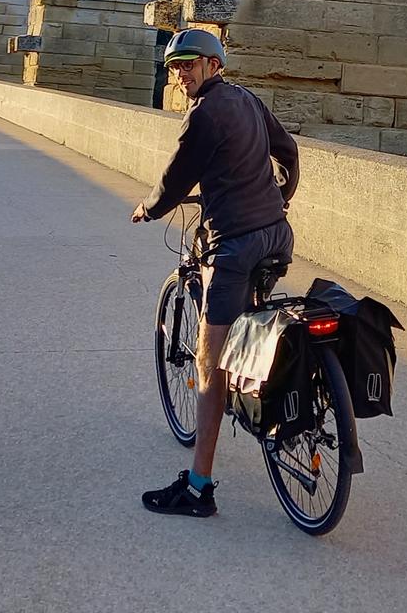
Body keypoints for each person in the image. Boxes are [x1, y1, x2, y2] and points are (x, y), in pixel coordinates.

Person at [130, 27, 299, 518]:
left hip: (237, 245)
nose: (181, 74)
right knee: (248, 323)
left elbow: (176, 178)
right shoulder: (247, 99)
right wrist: (279, 199)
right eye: (175, 66)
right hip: (277, 234)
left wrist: (150, 207)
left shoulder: (203, 115)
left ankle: (199, 488)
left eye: (189, 64)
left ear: (213, 65)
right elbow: (287, 153)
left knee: (209, 363)